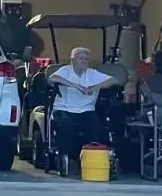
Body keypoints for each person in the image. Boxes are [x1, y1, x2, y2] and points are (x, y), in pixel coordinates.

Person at [47, 47, 114, 177]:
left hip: (86, 110)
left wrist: (95, 87)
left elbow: (113, 80)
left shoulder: (92, 73)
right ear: (73, 60)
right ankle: (66, 157)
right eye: (81, 58)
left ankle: (90, 159)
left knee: (96, 129)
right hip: (65, 109)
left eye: (86, 59)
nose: (84, 61)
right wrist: (77, 86)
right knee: (65, 128)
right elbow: (52, 78)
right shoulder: (65, 71)